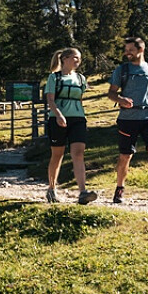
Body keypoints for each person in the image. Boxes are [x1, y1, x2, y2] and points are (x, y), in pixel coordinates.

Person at [107, 36, 148, 205]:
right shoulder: (121, 70)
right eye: (126, 50)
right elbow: (111, 93)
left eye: (130, 50)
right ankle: (119, 188)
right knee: (125, 155)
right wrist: (120, 99)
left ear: (141, 50)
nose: (127, 53)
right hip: (128, 119)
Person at [44, 47, 98, 204]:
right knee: (57, 154)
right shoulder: (54, 78)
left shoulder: (81, 78)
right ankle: (52, 188)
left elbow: (79, 99)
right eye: (75, 58)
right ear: (65, 58)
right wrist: (59, 115)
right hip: (58, 119)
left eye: (79, 58)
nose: (78, 61)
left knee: (78, 153)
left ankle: (83, 192)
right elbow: (50, 100)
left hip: (78, 119)